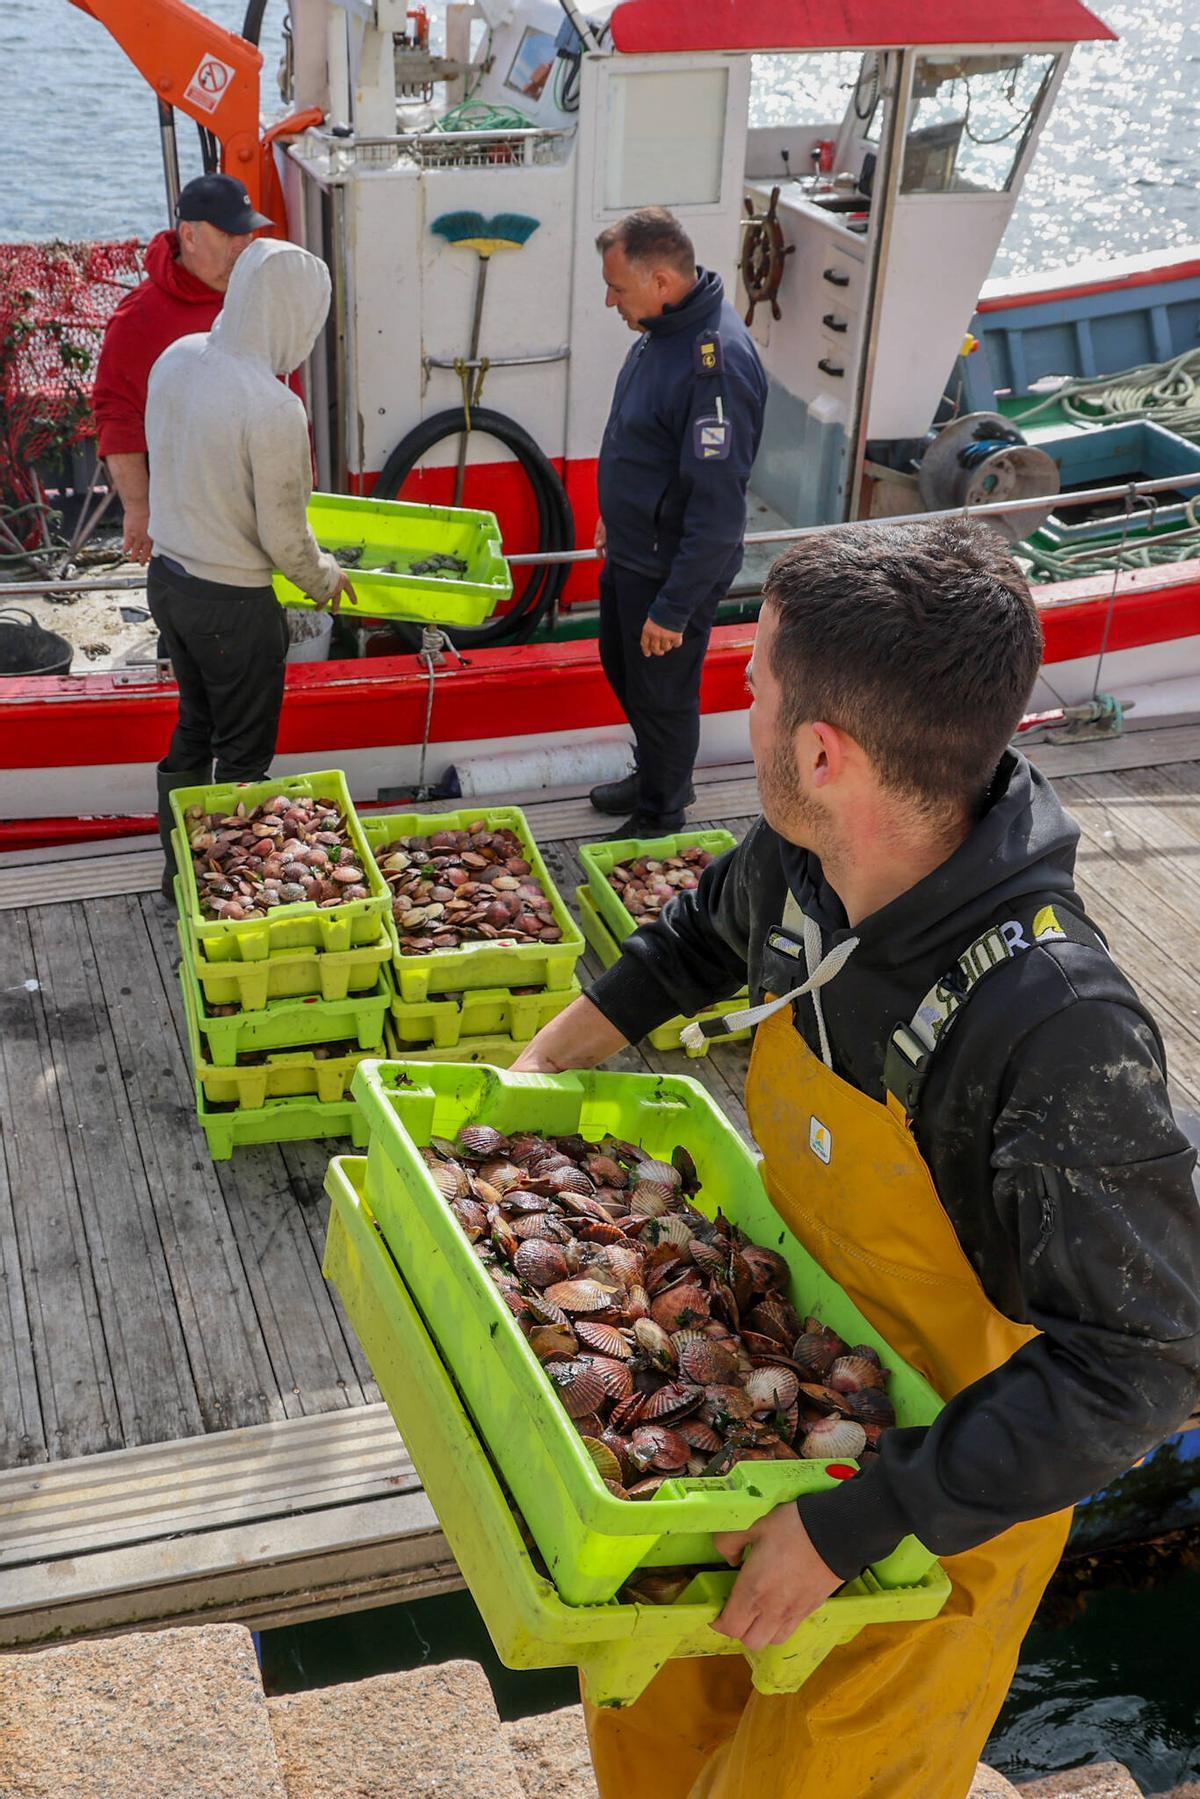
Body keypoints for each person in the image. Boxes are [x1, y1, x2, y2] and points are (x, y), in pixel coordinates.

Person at [512, 518, 1200, 1799]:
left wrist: (856, 1522)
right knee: (652, 1729)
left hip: (933, 1522)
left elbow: (1150, 1361)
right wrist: (543, 1065)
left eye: (757, 681)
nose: (745, 699)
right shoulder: (811, 858)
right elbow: (692, 940)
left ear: (822, 752)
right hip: (764, 1395)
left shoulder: (1054, 1028)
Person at [145, 238, 353, 896]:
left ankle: (178, 871)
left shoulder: (177, 357)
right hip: (232, 605)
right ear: (294, 313)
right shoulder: (272, 405)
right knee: (242, 756)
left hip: (168, 581)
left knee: (193, 725)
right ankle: (223, 892)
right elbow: (286, 538)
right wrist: (327, 579)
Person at [588, 208, 767, 837]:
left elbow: (718, 510)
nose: (610, 301)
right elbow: (645, 443)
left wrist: (674, 608)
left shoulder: (712, 365)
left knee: (663, 693)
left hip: (671, 566)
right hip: (634, 547)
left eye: (619, 288)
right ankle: (655, 774)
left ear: (662, 281)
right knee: (622, 665)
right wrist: (616, 516)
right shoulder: (662, 329)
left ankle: (662, 812)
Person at [93, 173, 271, 562]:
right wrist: (139, 509)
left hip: (263, 498)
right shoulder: (139, 316)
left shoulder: (259, 293)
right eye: (229, 235)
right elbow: (118, 415)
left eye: (248, 234)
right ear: (189, 237)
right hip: (186, 517)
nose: (243, 247)